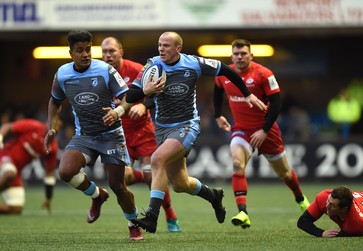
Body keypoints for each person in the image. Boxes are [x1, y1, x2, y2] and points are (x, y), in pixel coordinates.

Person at [102, 31, 267, 233]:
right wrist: (147, 90)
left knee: (156, 159)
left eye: (166, 45)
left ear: (178, 48)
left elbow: (227, 71)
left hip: (187, 125)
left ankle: (152, 217)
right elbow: (132, 93)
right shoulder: (152, 65)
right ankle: (213, 196)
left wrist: (248, 94)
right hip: (162, 128)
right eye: (159, 45)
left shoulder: (193, 63)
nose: (161, 49)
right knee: (180, 183)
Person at [43, 29, 141, 241]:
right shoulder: (62, 74)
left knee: (118, 186)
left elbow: (129, 96)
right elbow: (54, 100)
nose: (86, 54)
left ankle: (133, 223)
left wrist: (118, 111)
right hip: (84, 135)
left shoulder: (105, 70)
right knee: (66, 171)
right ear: (71, 53)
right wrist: (51, 125)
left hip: (111, 134)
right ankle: (97, 195)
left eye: (88, 49)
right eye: (80, 50)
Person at [214, 39, 310, 229]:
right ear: (231, 56)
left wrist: (264, 130)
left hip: (266, 131)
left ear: (251, 55)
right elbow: (217, 90)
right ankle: (243, 212)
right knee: (236, 163)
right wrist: (218, 115)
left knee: (284, 174)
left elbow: (276, 104)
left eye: (243, 54)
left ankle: (300, 198)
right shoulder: (224, 74)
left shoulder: (263, 74)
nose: (240, 57)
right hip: (241, 129)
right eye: (236, 54)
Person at [101, 37, 181, 233]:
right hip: (119, 134)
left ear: (121, 51)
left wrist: (143, 105)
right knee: (123, 179)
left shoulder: (140, 69)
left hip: (143, 131)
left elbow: (159, 94)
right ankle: (147, 177)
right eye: (104, 52)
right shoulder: (100, 74)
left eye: (112, 51)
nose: (108, 55)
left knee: (152, 172)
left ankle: (171, 217)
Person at [297, 181, 363, 237]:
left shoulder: (356, 224)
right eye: (328, 201)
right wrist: (321, 233)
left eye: (332, 205)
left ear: (344, 208)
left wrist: (344, 233)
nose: (327, 206)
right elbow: (302, 221)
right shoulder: (324, 197)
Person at [0, 118, 58, 214]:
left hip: (16, 171)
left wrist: (48, 197)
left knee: (16, 208)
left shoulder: (52, 147)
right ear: (47, 122)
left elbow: (49, 173)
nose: (55, 126)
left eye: (58, 125)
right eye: (53, 123)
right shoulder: (34, 126)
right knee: (10, 174)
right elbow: (8, 127)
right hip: (5, 156)